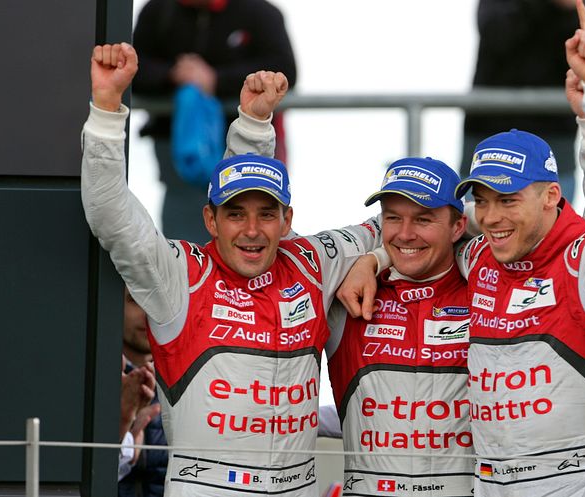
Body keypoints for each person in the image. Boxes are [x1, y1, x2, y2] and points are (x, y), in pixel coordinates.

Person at [338, 2, 585, 495]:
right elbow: (422, 233)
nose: (492, 217)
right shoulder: (480, 256)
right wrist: (373, 257)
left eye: (508, 199)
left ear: (552, 195)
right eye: (482, 201)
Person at [82, 43, 381, 497]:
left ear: (287, 220)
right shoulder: (180, 274)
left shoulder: (313, 262)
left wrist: (374, 259)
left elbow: (404, 229)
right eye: (235, 214)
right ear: (210, 221)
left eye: (267, 214)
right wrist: (107, 108)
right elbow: (111, 213)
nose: (252, 230)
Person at [326, 157, 474, 496]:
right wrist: (254, 127)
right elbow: (267, 245)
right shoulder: (348, 293)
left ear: (457, 226)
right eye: (393, 217)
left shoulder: (485, 290)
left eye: (423, 219)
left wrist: (377, 257)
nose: (405, 233)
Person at [132, 0, 297, 243]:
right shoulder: (158, 11)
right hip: (179, 159)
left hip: (252, 152)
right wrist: (173, 75)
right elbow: (133, 67)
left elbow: (285, 70)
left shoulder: (260, 12)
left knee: (253, 231)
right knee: (187, 251)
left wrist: (215, 80)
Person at [460, 0, 585, 204]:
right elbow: (498, 37)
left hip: (554, 142)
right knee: (477, 226)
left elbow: (583, 68)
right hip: (488, 137)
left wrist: (566, 11)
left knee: (555, 229)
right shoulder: (496, 5)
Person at [119, 289, 168, 497]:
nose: (148, 312)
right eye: (136, 300)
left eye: (160, 302)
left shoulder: (200, 383)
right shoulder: (86, 375)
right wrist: (122, 427)